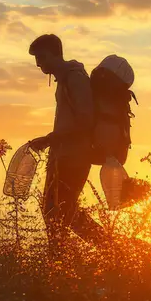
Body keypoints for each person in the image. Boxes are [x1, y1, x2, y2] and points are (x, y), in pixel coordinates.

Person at [26, 34, 108, 252]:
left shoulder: (74, 78)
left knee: (61, 211)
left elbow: (85, 120)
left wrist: (49, 139)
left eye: (41, 57)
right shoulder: (64, 79)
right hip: (63, 155)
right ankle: (64, 260)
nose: (38, 64)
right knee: (56, 211)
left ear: (55, 54)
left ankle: (110, 250)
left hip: (74, 157)